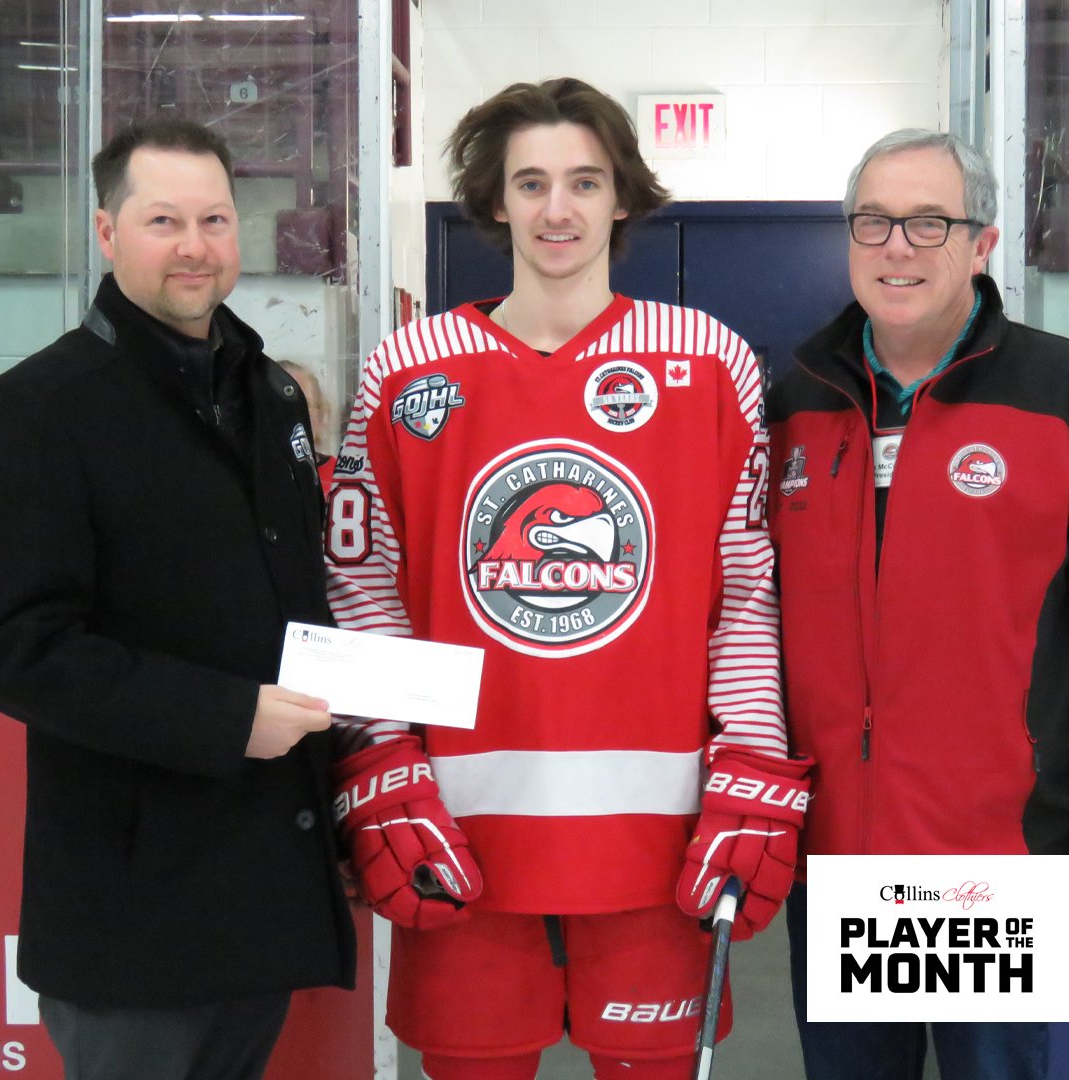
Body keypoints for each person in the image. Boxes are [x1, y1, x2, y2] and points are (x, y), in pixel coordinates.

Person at [325, 77, 811, 1080]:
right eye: (532, 182)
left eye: (584, 182)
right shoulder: (411, 366)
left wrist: (753, 770)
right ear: (495, 200)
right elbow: (365, 582)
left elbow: (745, 588)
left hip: (660, 845)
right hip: (457, 829)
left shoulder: (707, 360)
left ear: (621, 197)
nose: (558, 209)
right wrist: (381, 757)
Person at [0, 115, 355, 1079]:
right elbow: (16, 645)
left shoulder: (271, 397)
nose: (195, 247)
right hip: (130, 906)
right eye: (163, 220)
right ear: (108, 235)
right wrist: (226, 715)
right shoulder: (37, 411)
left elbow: (290, 597)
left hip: (259, 880)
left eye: (215, 219)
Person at [767, 128, 1065, 1080]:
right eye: (874, 221)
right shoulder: (792, 404)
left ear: (980, 244)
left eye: (928, 222)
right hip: (841, 864)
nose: (897, 245)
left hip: (1000, 865)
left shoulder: (1058, 396)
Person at [278, 359, 337, 495]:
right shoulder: (246, 477)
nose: (292, 413)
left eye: (304, 404)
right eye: (279, 403)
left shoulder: (341, 477)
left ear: (322, 414)